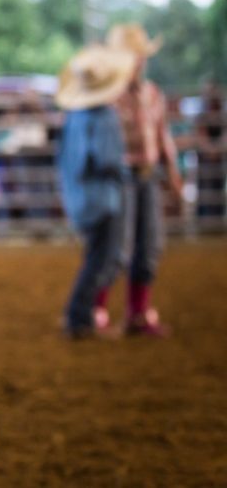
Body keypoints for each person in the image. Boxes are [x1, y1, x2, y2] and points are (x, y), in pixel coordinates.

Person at [105, 23, 183, 337]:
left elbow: (163, 136)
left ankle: (138, 313)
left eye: (141, 55)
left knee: (149, 244)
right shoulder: (110, 97)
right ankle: (98, 310)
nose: (140, 62)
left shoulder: (152, 95)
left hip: (147, 175)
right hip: (122, 176)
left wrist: (173, 173)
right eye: (134, 55)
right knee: (119, 247)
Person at [54, 44, 134, 339]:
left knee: (96, 256)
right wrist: (127, 174)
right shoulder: (104, 117)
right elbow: (108, 160)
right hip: (103, 197)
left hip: (79, 197)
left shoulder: (74, 117)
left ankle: (81, 314)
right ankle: (79, 315)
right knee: (104, 258)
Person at [194, 79, 225, 222]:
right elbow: (201, 137)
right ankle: (205, 223)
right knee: (205, 194)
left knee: (217, 193)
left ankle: (215, 222)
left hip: (218, 161)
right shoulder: (202, 117)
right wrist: (211, 150)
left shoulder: (222, 117)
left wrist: (216, 150)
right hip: (206, 161)